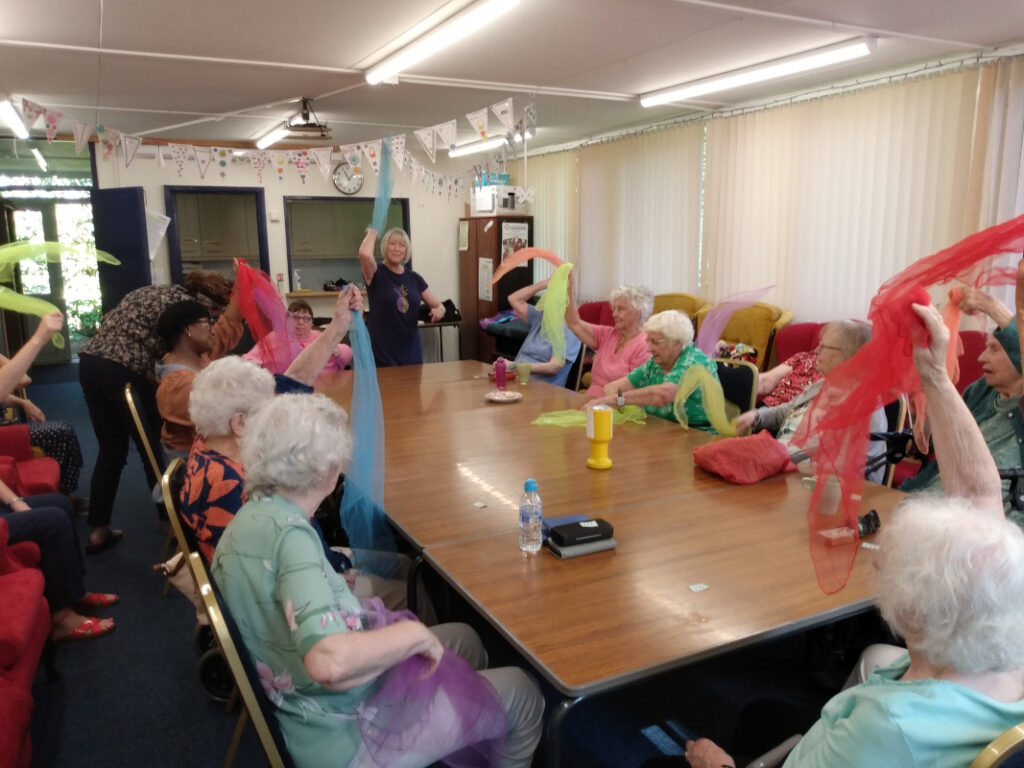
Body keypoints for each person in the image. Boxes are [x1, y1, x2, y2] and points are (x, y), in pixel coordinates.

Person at [655, 303, 1024, 768]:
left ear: (910, 611)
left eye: (887, 566)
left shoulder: (885, 729)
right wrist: (933, 372)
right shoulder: (1007, 652)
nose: (876, 564)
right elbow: (979, 498)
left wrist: (715, 763)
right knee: (757, 715)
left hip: (854, 742)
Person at [211, 393, 544, 768]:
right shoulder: (292, 538)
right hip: (342, 736)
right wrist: (412, 636)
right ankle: (467, 724)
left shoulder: (246, 521)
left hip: (305, 703)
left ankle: (459, 726)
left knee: (466, 639)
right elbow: (329, 663)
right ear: (325, 470)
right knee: (523, 692)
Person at [78, 272, 230, 553]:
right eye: (212, 315)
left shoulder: (156, 291)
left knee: (111, 450)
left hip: (91, 362)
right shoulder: (180, 310)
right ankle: (175, 522)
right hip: (126, 369)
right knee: (154, 444)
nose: (213, 322)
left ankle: (98, 529)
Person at [899, 289, 1024, 513]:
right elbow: (945, 439)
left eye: (995, 349)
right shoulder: (981, 391)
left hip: (985, 527)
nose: (981, 357)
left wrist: (992, 307)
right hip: (927, 505)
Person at [734, 320, 888, 482]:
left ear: (848, 356)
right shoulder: (823, 384)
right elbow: (786, 411)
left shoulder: (863, 403)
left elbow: (824, 455)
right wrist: (756, 416)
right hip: (784, 468)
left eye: (824, 347)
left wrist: (771, 456)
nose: (815, 351)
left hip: (818, 483)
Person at [583, 309, 718, 426]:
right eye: (648, 341)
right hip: (662, 431)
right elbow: (612, 388)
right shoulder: (656, 363)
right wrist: (619, 403)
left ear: (677, 343)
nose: (649, 348)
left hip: (697, 436)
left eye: (656, 342)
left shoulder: (695, 362)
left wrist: (615, 400)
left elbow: (663, 395)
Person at [154, 298, 242, 454]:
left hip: (209, 449)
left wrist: (244, 283)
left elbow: (227, 324)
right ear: (188, 329)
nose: (212, 331)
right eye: (207, 324)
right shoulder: (178, 385)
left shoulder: (197, 357)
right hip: (194, 462)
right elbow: (220, 421)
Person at [358, 227, 445, 367]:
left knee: (413, 389)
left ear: (406, 251)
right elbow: (364, 254)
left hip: (411, 352)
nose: (397, 249)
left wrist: (439, 311)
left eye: (402, 245)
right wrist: (373, 232)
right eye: (392, 243)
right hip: (382, 353)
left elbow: (438, 305)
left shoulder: (415, 279)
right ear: (385, 246)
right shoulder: (376, 273)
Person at [564, 275, 652, 396]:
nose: (614, 314)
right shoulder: (607, 334)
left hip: (618, 408)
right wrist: (569, 289)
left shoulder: (645, 345)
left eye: (621, 309)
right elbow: (574, 323)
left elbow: (636, 394)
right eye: (614, 309)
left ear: (639, 312)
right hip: (590, 403)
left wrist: (612, 404)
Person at [495, 278, 583, 387]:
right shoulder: (540, 318)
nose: (542, 307)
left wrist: (514, 366)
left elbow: (553, 367)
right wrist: (544, 284)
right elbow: (513, 299)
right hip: (517, 380)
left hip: (542, 390)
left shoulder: (570, 331)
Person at [243, 299, 352, 375]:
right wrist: (252, 365)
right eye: (295, 317)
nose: (300, 322)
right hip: (285, 388)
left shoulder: (319, 336)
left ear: (311, 322)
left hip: (323, 384)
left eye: (305, 318)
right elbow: (248, 359)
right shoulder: (275, 337)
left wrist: (338, 351)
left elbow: (347, 353)